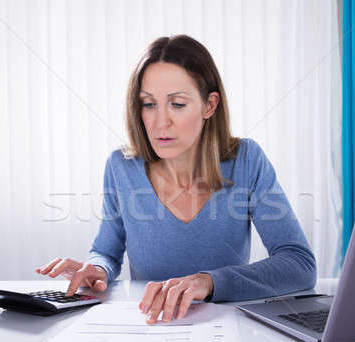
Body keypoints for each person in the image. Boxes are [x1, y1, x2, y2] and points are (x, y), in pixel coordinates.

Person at [36, 34, 316, 324]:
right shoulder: (121, 166)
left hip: (226, 332)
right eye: (148, 104)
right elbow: (106, 251)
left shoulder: (246, 160)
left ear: (209, 105)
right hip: (150, 327)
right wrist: (97, 269)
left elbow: (299, 265)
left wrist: (207, 282)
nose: (160, 122)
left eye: (178, 104)